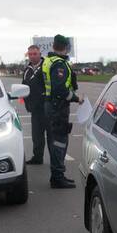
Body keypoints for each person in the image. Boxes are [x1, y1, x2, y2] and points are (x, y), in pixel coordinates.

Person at [41, 34, 79, 188]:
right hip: (58, 107)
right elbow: (59, 89)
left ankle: (57, 175)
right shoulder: (59, 64)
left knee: (57, 140)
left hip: (51, 105)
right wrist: (76, 98)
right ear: (65, 47)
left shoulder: (48, 60)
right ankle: (57, 177)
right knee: (59, 142)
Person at [22, 45, 46, 164]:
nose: (32, 56)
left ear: (40, 54)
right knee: (36, 136)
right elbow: (23, 87)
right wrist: (27, 103)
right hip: (35, 109)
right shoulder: (27, 69)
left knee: (52, 137)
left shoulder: (46, 66)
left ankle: (56, 162)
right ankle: (37, 157)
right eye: (30, 54)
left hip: (47, 108)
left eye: (35, 54)